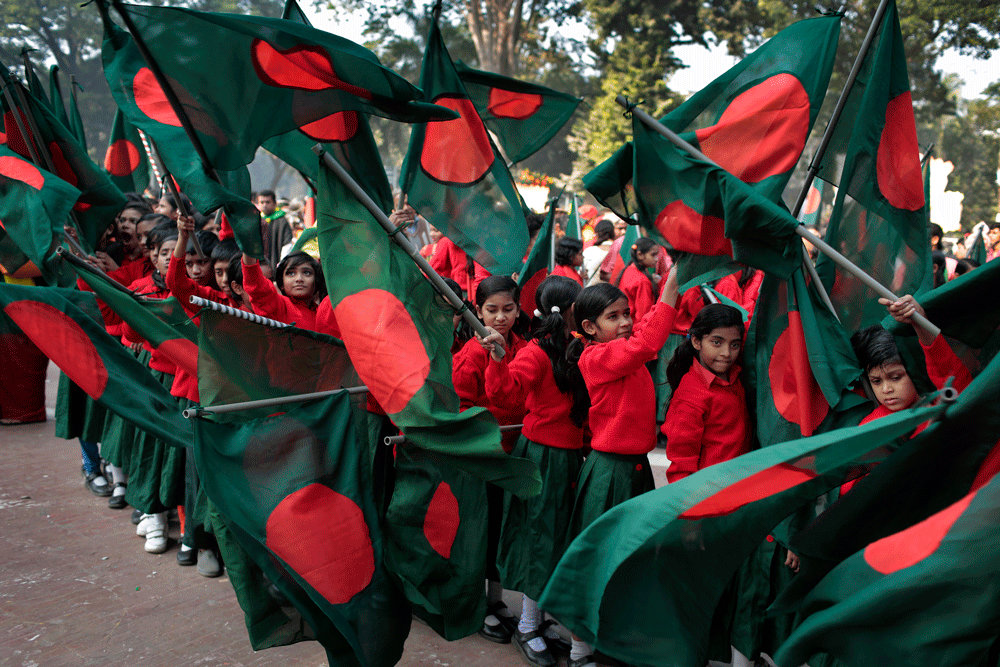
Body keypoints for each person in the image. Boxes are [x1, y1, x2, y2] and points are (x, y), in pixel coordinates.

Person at [479, 276, 587, 667]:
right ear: (573, 310)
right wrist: (497, 360)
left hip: (569, 456)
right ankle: (527, 624)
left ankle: (537, 620)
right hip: (542, 457)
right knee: (538, 540)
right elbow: (504, 394)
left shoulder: (576, 346)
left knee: (555, 539)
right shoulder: (536, 352)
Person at [568, 267, 679, 532]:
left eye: (626, 313)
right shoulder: (595, 357)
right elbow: (647, 342)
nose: (626, 322)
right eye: (613, 317)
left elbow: (645, 327)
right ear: (589, 327)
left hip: (634, 464)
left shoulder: (620, 349)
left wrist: (669, 283)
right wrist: (671, 290)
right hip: (612, 471)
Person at [452, 276, 530, 646]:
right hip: (482, 457)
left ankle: (496, 600)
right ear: (477, 310)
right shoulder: (471, 353)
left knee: (500, 530)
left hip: (512, 453)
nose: (500, 318)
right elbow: (460, 407)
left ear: (518, 309)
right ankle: (476, 606)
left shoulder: (524, 346)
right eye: (491, 310)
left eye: (508, 309)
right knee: (477, 532)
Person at [662, 304, 750, 483]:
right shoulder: (691, 395)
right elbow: (681, 464)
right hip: (709, 493)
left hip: (739, 486)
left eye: (734, 345)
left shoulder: (737, 375)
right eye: (716, 343)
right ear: (696, 341)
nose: (726, 353)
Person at [240, 251, 325, 329]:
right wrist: (248, 249)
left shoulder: (324, 312)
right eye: (291, 273)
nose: (299, 279)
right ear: (281, 283)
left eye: (307, 273)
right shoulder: (277, 306)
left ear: (317, 280)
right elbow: (256, 284)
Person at [615, 237, 660, 323]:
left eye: (657, 255)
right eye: (653, 255)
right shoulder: (642, 280)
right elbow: (644, 315)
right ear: (640, 255)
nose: (656, 259)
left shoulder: (629, 269)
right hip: (636, 326)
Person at [256, 190, 293, 269]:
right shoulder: (257, 220)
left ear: (275, 203)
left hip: (276, 262)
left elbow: (287, 244)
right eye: (262, 202)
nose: (264, 205)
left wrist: (282, 263)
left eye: (267, 202)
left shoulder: (282, 221)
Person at [581, 220, 615, 287]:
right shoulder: (619, 251)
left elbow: (581, 272)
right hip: (613, 292)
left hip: (591, 292)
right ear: (613, 233)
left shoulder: (589, 251)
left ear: (597, 234)